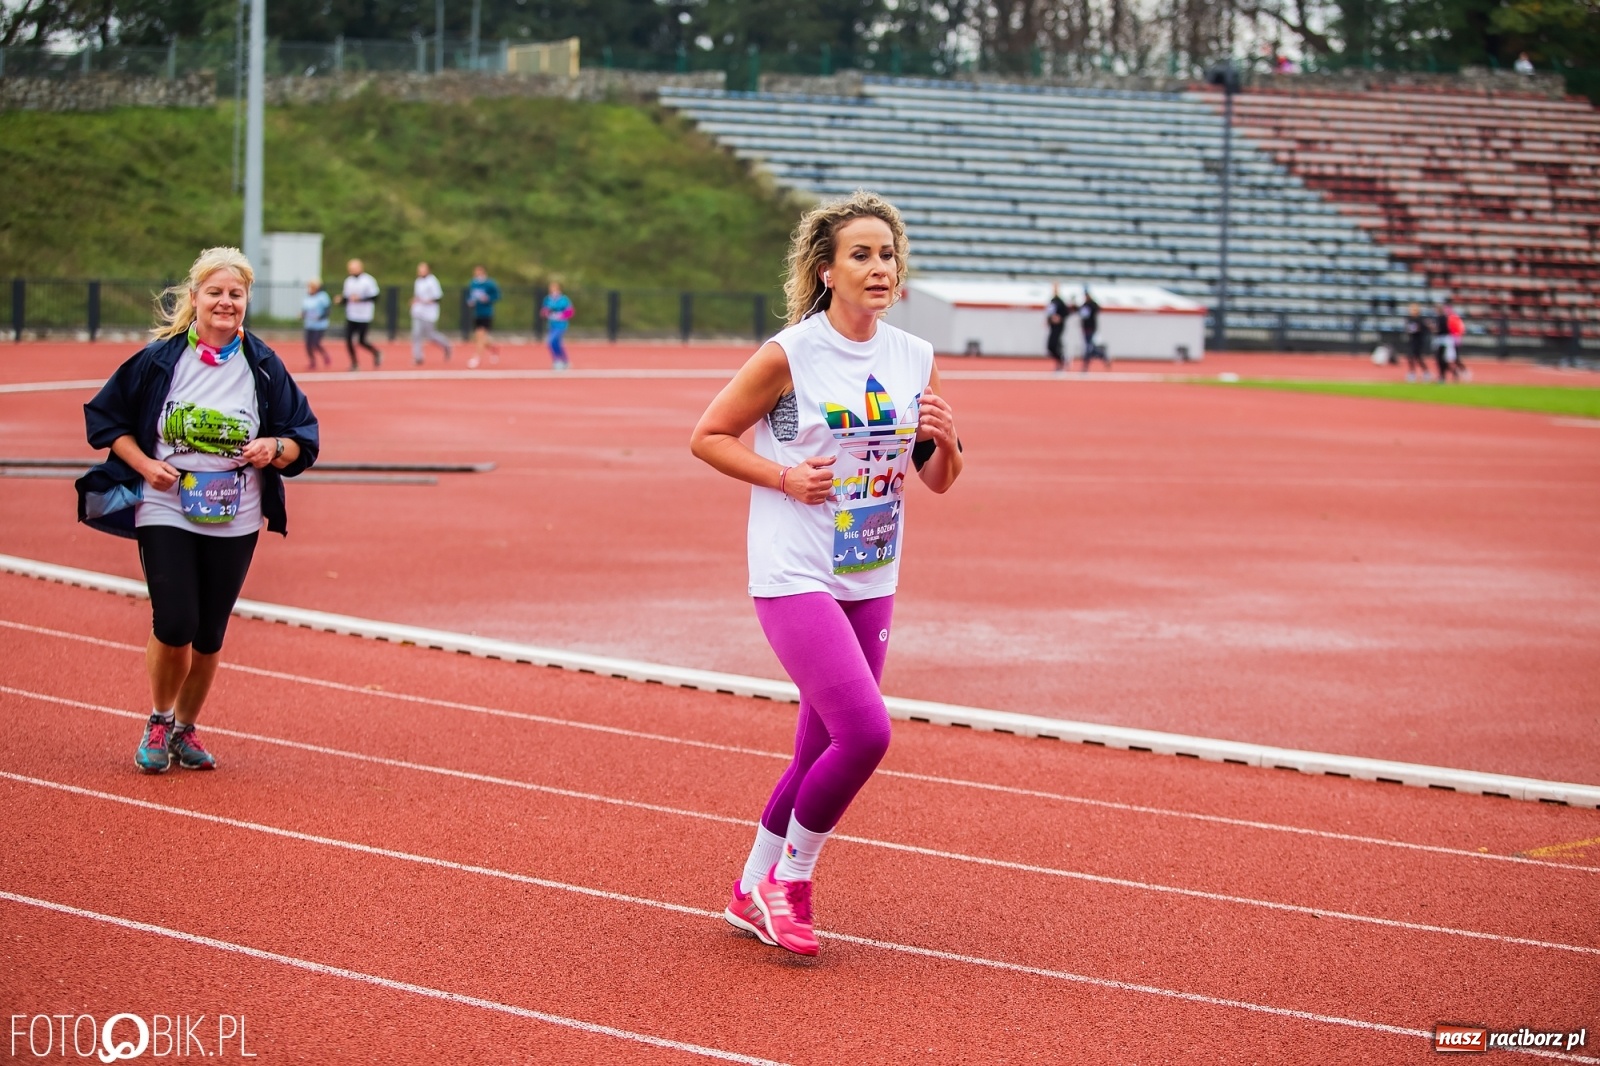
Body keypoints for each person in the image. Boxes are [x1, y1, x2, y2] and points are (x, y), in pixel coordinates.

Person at [690, 191, 963, 957]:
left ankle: (751, 888)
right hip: (793, 571)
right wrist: (784, 479)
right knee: (866, 732)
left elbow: (938, 479)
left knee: (817, 751)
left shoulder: (914, 356)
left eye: (888, 255)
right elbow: (706, 436)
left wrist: (943, 442)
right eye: (862, 255)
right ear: (825, 271)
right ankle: (791, 880)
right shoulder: (791, 354)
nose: (880, 267)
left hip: (870, 570)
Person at [76, 247, 319, 774]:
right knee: (176, 620)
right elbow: (105, 418)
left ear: (246, 301)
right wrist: (145, 464)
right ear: (195, 298)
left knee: (209, 631)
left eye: (235, 294)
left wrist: (273, 449)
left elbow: (304, 439)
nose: (225, 302)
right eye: (215, 292)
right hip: (167, 503)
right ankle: (159, 719)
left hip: (237, 509)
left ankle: (186, 729)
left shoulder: (264, 366)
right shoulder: (161, 358)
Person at [335, 258, 382, 370]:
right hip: (351, 315)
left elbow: (375, 297)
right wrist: (340, 300)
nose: (351, 271)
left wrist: (360, 299)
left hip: (364, 315)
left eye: (353, 268)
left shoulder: (368, 280)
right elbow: (347, 298)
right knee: (348, 339)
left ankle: (376, 352)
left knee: (361, 341)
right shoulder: (348, 281)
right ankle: (354, 363)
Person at [410, 262, 453, 366]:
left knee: (430, 335)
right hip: (418, 311)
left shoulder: (432, 281)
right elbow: (418, 296)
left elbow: (438, 297)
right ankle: (418, 357)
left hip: (429, 313)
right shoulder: (418, 281)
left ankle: (446, 345)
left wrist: (427, 301)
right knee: (416, 334)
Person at [466, 265, 501, 369]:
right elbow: (470, 296)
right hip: (477, 313)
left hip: (487, 313)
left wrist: (488, 298)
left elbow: (497, 296)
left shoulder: (490, 283)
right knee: (478, 337)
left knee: (480, 335)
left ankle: (477, 357)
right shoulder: (473, 283)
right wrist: (470, 301)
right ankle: (493, 348)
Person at [541, 281, 573, 370]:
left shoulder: (564, 299)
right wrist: (548, 314)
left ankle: (557, 361)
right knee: (557, 344)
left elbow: (570, 311)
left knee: (551, 341)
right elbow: (544, 311)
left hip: (561, 324)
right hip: (552, 324)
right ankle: (565, 361)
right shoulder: (548, 299)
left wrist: (561, 315)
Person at [301, 279, 331, 371]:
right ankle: (312, 361)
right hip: (309, 324)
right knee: (308, 345)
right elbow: (305, 310)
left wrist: (321, 317)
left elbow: (327, 310)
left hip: (320, 325)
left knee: (316, 343)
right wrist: (302, 315)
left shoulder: (323, 297)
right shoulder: (307, 298)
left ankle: (325, 355)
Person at [1079, 288, 1109, 371]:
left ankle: (1086, 365)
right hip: (1085, 328)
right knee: (1090, 347)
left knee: (1089, 347)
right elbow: (1081, 313)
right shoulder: (1084, 305)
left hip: (1091, 328)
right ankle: (1102, 355)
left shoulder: (1092, 304)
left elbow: (1098, 309)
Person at [1404, 303, 1432, 382]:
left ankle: (1426, 372)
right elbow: (1408, 329)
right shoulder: (1409, 319)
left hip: (1419, 341)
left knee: (1419, 358)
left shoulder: (1421, 319)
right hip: (1412, 340)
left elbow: (1424, 330)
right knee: (1410, 357)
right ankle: (1412, 372)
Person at [1045, 282, 1069, 371]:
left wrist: (1059, 317)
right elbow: (1049, 313)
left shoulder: (1060, 301)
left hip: (1059, 327)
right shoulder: (1052, 301)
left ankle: (1061, 363)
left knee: (1055, 344)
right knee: (1050, 346)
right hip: (1052, 327)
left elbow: (1066, 313)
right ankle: (1061, 359)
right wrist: (1047, 320)